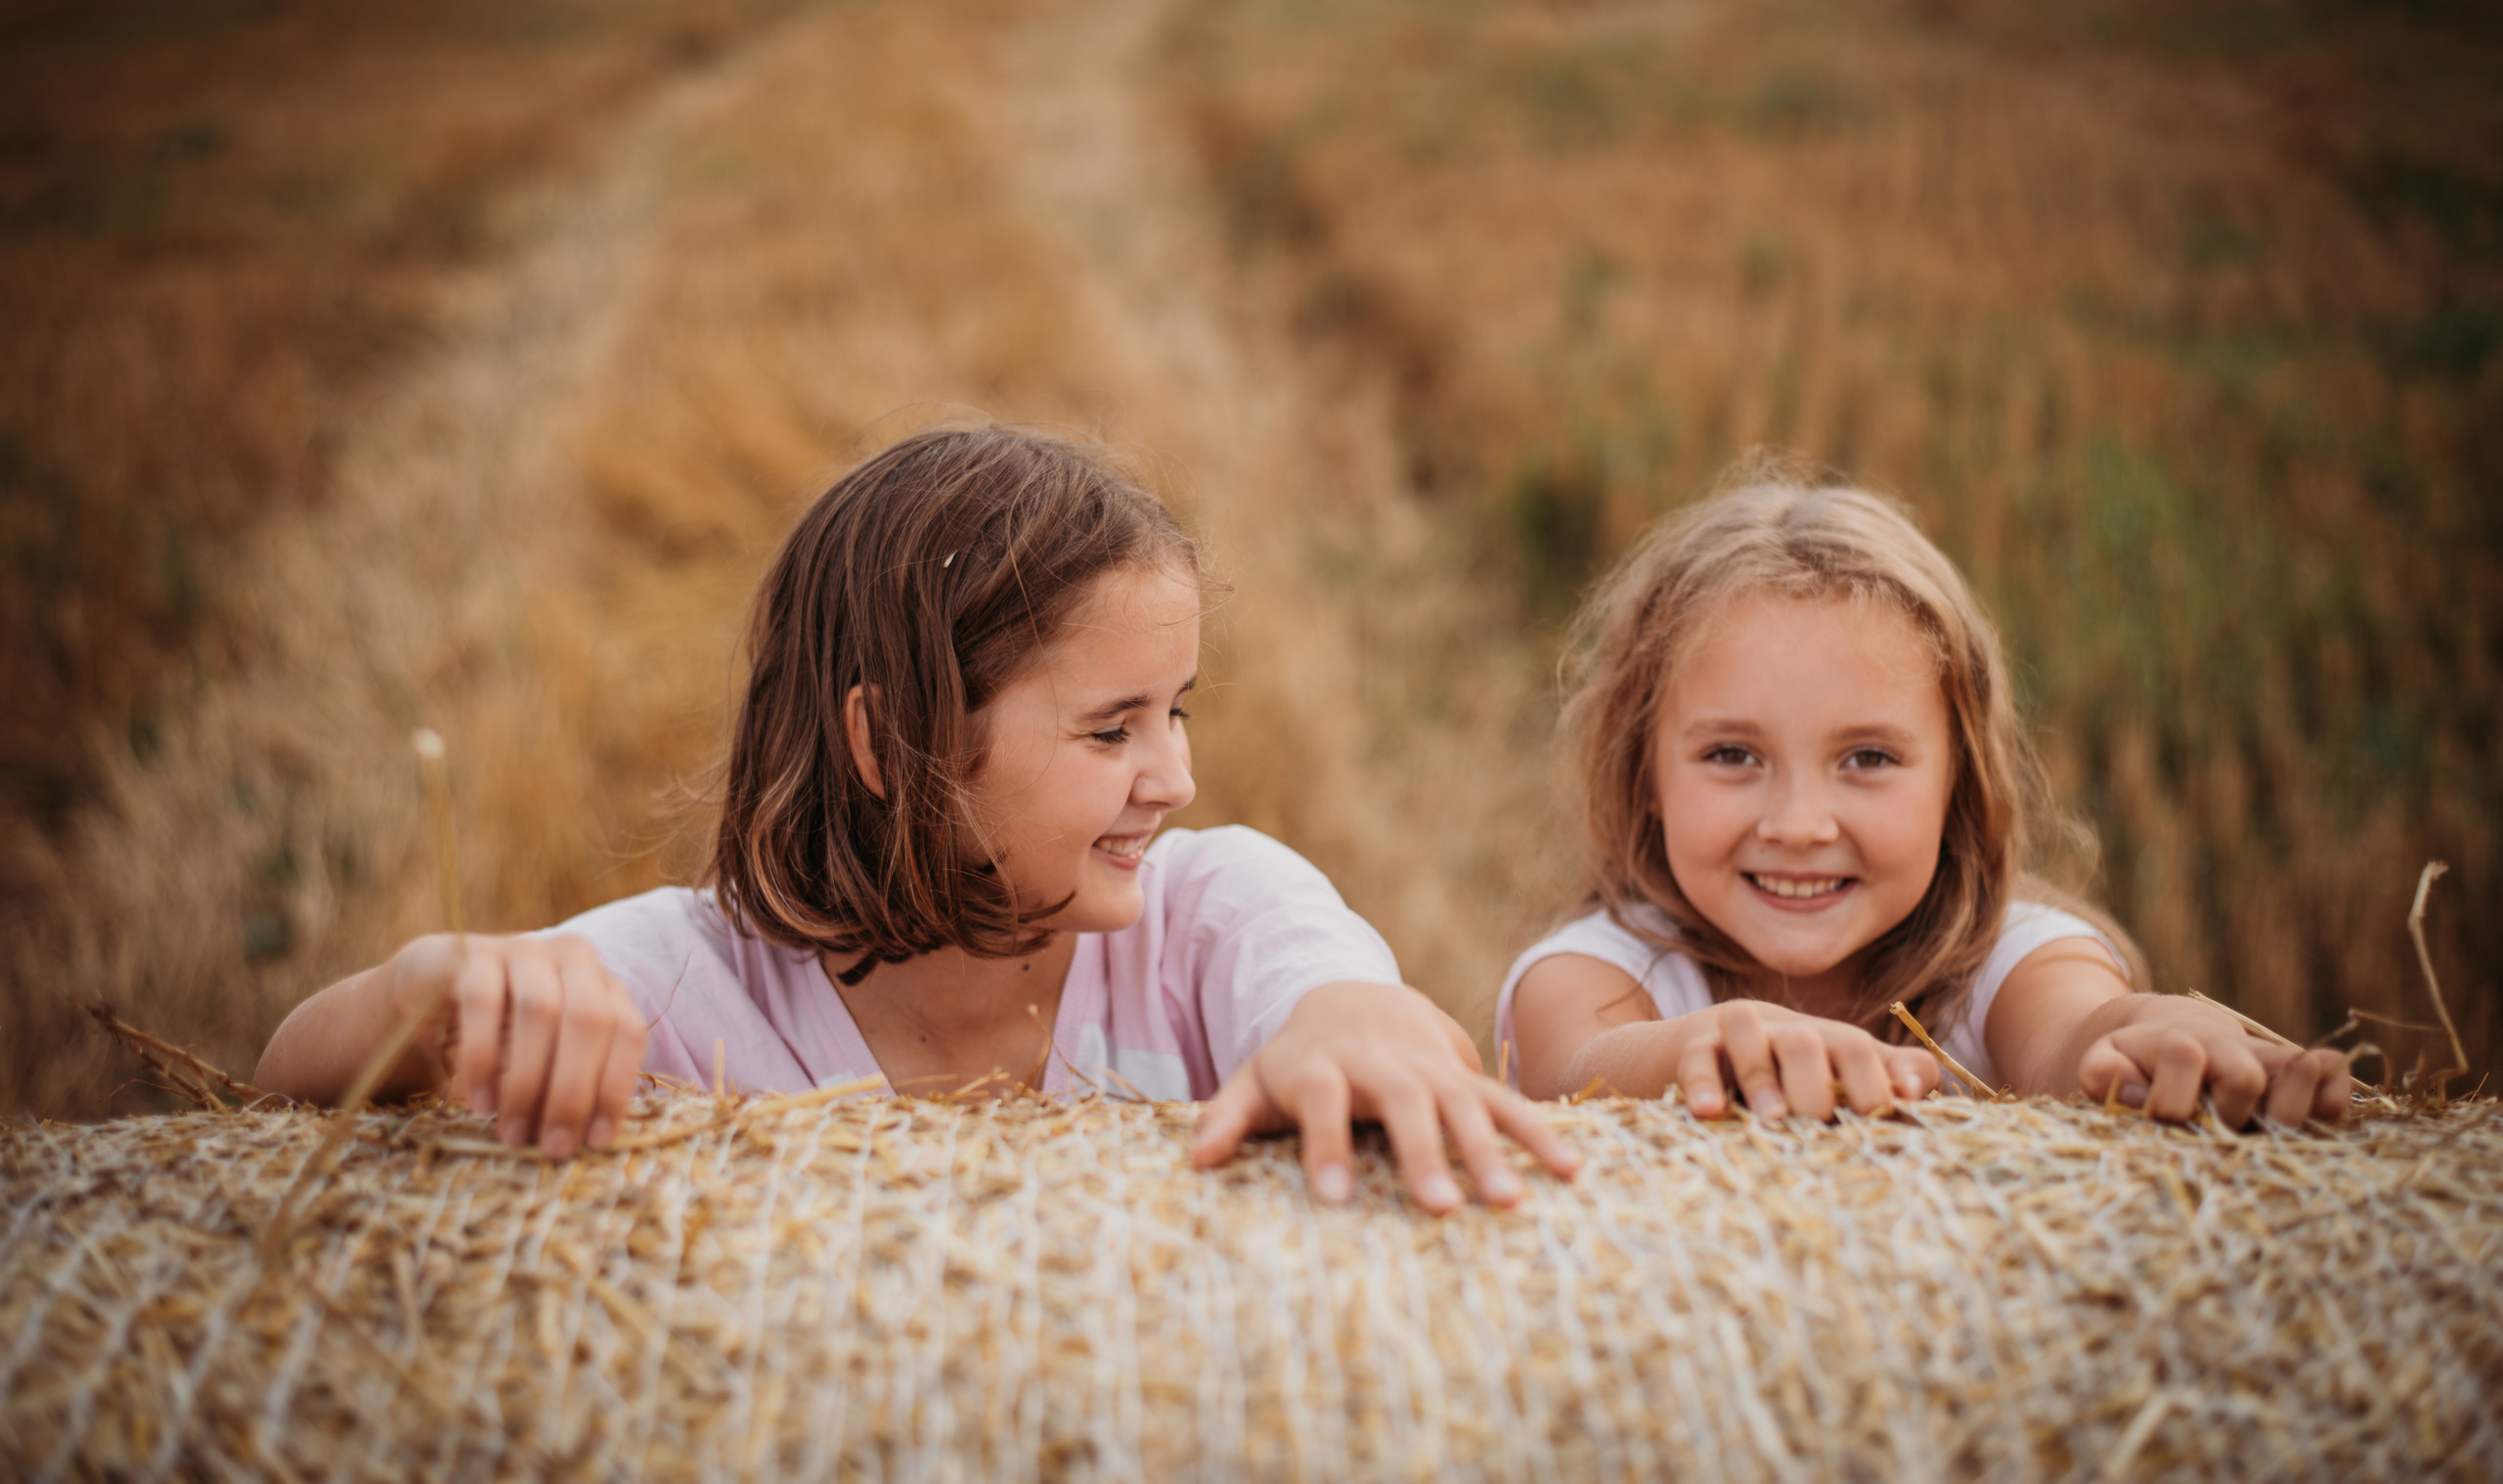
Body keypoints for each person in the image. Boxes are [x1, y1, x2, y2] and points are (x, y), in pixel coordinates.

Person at [259, 425, 1579, 1212]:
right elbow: (277, 1095)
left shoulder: (1210, 915)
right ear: (889, 742)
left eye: (1177, 711)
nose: (1174, 776)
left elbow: (1356, 1006)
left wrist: (1355, 1029)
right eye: (1111, 728)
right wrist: (429, 997)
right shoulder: (680, 983)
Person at [1501, 462, 2352, 1128]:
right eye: (1731, 754)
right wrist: (1701, 1047)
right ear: (1645, 774)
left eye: (1868, 757)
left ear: (1960, 780)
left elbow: (2076, 1033)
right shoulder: (1596, 971)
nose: (1799, 824)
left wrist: (2156, 1038)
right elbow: (1578, 1067)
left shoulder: (2012, 959)